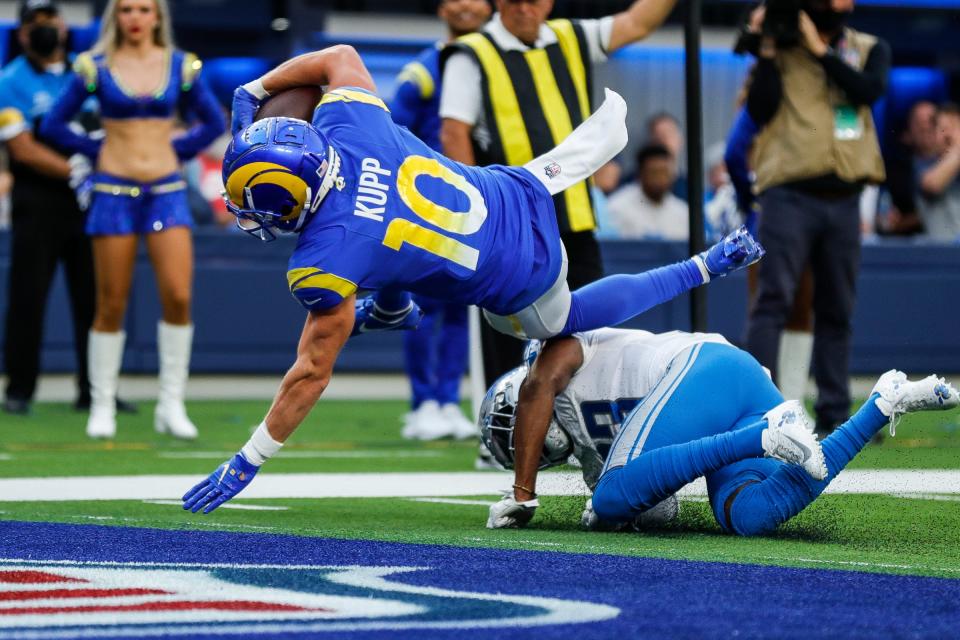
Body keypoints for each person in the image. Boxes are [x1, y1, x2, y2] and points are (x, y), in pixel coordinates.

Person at [179, 45, 765, 514]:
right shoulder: (353, 126)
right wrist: (254, 91)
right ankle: (388, 307)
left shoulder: (324, 260)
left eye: (250, 200)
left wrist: (247, 461)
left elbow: (309, 375)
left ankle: (702, 267)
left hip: (519, 278)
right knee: (395, 252)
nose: (247, 211)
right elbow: (340, 58)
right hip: (517, 188)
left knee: (562, 322)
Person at [481, 329, 957, 535]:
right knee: (748, 515)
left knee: (611, 495)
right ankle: (884, 402)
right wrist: (613, 514)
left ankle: (765, 436)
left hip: (707, 368)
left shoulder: (550, 365)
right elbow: (658, 508)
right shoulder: (589, 454)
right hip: (736, 391)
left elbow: (541, 385)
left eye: (515, 432)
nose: (526, 442)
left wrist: (526, 492)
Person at [439, 0, 680, 389]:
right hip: (511, 224)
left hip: (575, 216)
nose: (522, 8)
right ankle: (499, 437)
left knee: (594, 330)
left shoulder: (572, 36)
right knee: (509, 336)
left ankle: (585, 423)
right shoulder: (472, 53)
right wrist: (476, 212)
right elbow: (454, 132)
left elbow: (637, 23)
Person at [40, 0, 225, 439]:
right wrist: (96, 151)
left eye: (144, 9)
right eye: (126, 10)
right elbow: (53, 124)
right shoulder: (94, 66)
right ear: (115, 17)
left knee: (178, 295)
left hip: (166, 191)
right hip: (113, 192)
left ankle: (171, 403)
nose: (135, 18)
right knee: (111, 301)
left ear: (157, 16)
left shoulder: (180, 65)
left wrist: (175, 151)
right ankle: (102, 403)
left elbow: (213, 120)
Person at [741, 0, 889, 436]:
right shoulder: (781, 50)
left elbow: (868, 91)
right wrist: (767, 46)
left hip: (844, 196)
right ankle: (758, 409)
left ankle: (835, 414)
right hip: (788, 194)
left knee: (837, 309)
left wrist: (820, 51)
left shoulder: (869, 47)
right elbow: (759, 110)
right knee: (773, 301)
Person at [389, 0, 492, 440]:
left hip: (478, 200)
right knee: (422, 305)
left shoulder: (495, 65)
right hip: (425, 202)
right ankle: (422, 403)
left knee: (460, 307)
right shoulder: (423, 72)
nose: (467, 5)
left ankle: (449, 400)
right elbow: (392, 135)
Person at [0, 0, 99, 416]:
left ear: (62, 26)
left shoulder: (89, 71)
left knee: (96, 300)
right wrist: (74, 170)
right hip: (39, 201)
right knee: (28, 297)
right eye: (34, 24)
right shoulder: (9, 81)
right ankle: (20, 389)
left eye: (50, 21)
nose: (43, 29)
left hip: (94, 202)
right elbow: (21, 149)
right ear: (22, 34)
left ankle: (95, 391)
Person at [606, 144, 688, 240]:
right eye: (654, 173)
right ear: (640, 174)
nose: (660, 179)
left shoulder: (683, 212)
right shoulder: (617, 207)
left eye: (664, 172)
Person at [915, 104, 960, 241]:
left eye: (953, 127)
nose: (948, 134)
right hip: (940, 255)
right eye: (943, 129)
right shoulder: (923, 165)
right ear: (933, 134)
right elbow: (933, 185)